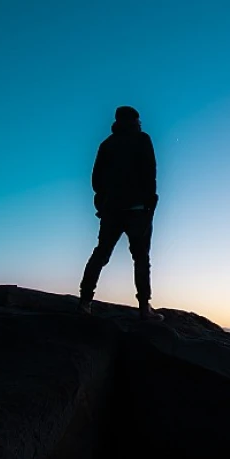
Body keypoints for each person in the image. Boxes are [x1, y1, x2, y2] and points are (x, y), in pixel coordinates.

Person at [78, 106, 163, 321]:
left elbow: (96, 179)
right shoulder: (142, 139)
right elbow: (150, 171)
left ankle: (84, 302)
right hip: (137, 209)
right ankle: (144, 308)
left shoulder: (107, 145)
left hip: (111, 210)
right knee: (141, 258)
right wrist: (149, 201)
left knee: (101, 253)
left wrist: (103, 202)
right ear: (134, 121)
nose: (140, 123)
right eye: (138, 120)